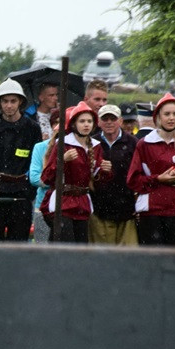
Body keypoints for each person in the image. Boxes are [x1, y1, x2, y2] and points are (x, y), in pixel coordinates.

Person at [126, 93, 175, 246]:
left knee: (172, 256)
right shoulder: (144, 144)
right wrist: (158, 179)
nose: (171, 118)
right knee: (153, 256)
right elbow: (133, 180)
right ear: (158, 117)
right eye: (167, 114)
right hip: (151, 210)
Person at [41, 102, 109, 243]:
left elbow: (98, 181)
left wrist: (105, 171)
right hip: (63, 202)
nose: (86, 125)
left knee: (80, 247)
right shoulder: (63, 143)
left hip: (82, 204)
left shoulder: (96, 146)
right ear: (73, 124)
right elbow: (46, 177)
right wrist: (62, 161)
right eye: (82, 121)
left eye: (89, 121)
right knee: (64, 245)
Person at [0, 79, 42, 242]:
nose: (9, 106)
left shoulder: (32, 128)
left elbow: (36, 161)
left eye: (13, 101)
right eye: (5, 101)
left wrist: (29, 192)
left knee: (19, 242)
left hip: (21, 193)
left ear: (20, 102)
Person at [91, 104, 138, 245]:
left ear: (120, 121)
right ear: (98, 122)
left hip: (127, 209)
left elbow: (138, 174)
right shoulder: (92, 143)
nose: (109, 122)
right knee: (102, 255)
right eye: (105, 119)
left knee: (128, 254)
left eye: (113, 119)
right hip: (99, 209)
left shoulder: (133, 143)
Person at [28, 110, 61, 243]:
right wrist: (59, 182)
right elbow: (35, 178)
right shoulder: (40, 147)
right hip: (43, 205)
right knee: (43, 248)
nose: (59, 127)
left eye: (63, 123)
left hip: (68, 206)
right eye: (56, 123)